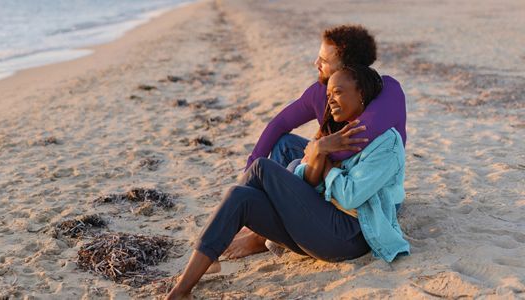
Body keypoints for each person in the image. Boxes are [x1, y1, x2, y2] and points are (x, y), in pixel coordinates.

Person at [165, 65, 409, 300]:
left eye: (338, 92)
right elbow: (306, 179)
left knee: (261, 167)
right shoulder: (340, 133)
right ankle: (182, 290)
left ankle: (221, 240)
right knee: (240, 196)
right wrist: (318, 150)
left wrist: (326, 167)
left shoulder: (386, 143)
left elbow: (350, 196)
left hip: (349, 236)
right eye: (328, 94)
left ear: (362, 94)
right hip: (320, 227)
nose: (331, 100)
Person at [225, 24, 407, 260]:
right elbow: (279, 124)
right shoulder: (320, 93)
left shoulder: (385, 92)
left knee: (296, 165)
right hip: (334, 173)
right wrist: (250, 168)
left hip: (370, 186)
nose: (316, 64)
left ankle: (264, 234)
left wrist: (317, 152)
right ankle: (265, 217)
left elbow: (355, 141)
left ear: (347, 68)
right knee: (284, 143)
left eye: (323, 60)